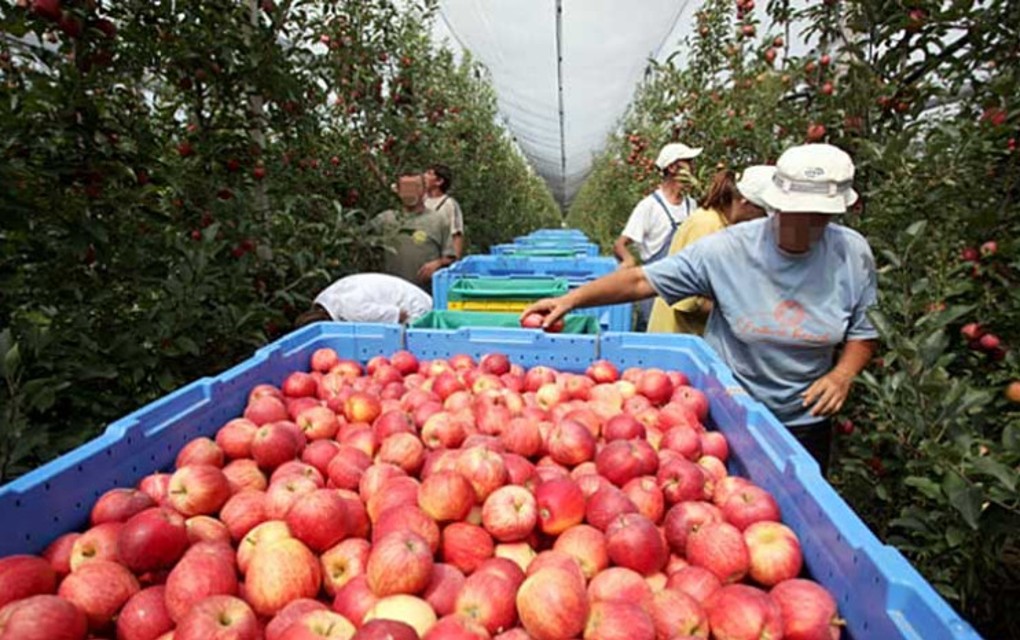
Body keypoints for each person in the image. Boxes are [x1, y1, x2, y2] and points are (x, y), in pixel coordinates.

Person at [523, 144, 878, 477]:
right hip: (730, 414)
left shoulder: (852, 254)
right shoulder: (730, 250)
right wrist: (571, 300)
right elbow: (640, 282)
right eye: (795, 213)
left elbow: (863, 331)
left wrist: (841, 375)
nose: (805, 224)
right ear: (776, 205)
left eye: (819, 216)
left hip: (805, 422)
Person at [647, 165, 774, 335]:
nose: (764, 221)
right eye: (763, 213)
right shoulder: (708, 225)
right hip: (677, 340)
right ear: (746, 201)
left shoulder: (726, 227)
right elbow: (689, 301)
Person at [614, 142, 702, 330]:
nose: (693, 167)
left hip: (683, 291)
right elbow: (621, 244)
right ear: (672, 167)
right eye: (688, 162)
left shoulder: (692, 206)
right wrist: (628, 259)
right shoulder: (650, 206)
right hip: (654, 290)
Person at [374, 172, 456, 292]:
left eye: (415, 187)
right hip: (392, 293)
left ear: (423, 190)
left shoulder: (438, 220)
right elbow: (358, 238)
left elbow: (451, 259)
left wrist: (438, 263)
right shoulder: (385, 219)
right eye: (405, 187)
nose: (410, 192)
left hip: (425, 293)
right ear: (398, 190)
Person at [294, 273, 433, 327]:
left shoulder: (354, 311)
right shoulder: (322, 300)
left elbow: (400, 315)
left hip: (414, 306)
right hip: (391, 292)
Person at [424, 164, 465, 260]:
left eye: (429, 173)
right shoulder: (421, 201)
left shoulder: (449, 205)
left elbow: (456, 235)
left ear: (439, 181)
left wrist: (454, 262)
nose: (424, 176)